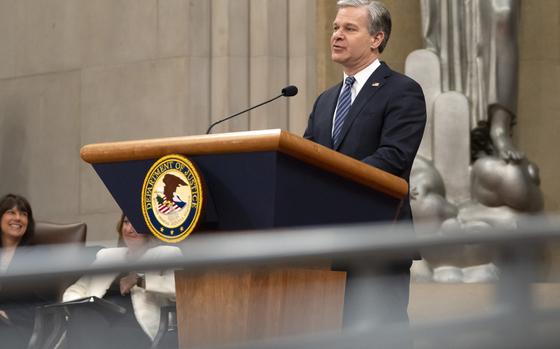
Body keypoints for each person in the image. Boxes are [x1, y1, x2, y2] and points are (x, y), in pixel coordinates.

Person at [303, 0, 426, 333]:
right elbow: (304, 159)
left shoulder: (403, 91)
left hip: (378, 244)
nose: (337, 36)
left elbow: (393, 157)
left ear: (376, 38)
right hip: (327, 247)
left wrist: (330, 181)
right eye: (335, 28)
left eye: (349, 28)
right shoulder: (326, 100)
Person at [63, 214, 181, 349]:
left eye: (135, 225)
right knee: (81, 316)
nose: (129, 229)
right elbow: (75, 290)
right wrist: (84, 305)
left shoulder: (166, 254)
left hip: (135, 325)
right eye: (126, 223)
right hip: (97, 320)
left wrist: (140, 280)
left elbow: (179, 289)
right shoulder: (107, 256)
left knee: (86, 323)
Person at [0, 193, 56, 348]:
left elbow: (47, 303)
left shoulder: (39, 256)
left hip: (19, 326)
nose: (17, 218)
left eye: (23, 214)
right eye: (11, 212)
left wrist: (7, 315)